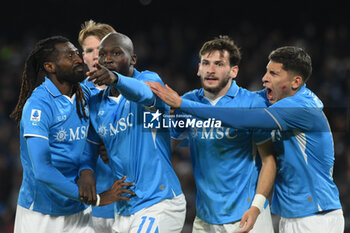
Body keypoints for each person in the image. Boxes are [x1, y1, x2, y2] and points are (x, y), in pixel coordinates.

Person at [147, 46, 344, 233]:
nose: (264, 79)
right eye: (267, 71)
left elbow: (241, 118)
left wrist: (181, 103)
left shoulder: (299, 108)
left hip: (316, 215)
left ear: (295, 82)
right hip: (292, 214)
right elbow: (242, 104)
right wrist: (172, 109)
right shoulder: (279, 102)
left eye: (274, 74)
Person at [149, 36, 276, 233]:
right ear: (198, 68)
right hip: (205, 220)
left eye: (219, 64)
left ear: (234, 71)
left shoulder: (252, 103)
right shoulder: (187, 102)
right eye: (206, 63)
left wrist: (256, 207)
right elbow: (163, 148)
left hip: (248, 216)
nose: (210, 69)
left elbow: (269, 161)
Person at [10, 35, 134, 233]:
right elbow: (42, 170)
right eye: (69, 56)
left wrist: (87, 169)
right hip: (42, 214)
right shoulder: (39, 105)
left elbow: (91, 135)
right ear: (50, 67)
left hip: (79, 212)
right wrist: (99, 198)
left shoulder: (84, 95)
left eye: (77, 53)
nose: (78, 59)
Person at [81, 32, 186, 233]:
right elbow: (91, 145)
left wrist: (116, 79)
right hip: (124, 209)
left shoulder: (149, 80)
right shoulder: (96, 103)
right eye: (103, 55)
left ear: (133, 59)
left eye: (116, 53)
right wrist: (86, 170)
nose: (108, 59)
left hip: (159, 202)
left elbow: (145, 93)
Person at [78, 19, 117, 233]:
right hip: (91, 206)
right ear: (83, 56)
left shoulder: (135, 90)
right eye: (89, 50)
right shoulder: (75, 96)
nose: (95, 55)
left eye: (100, 49)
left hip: (133, 202)